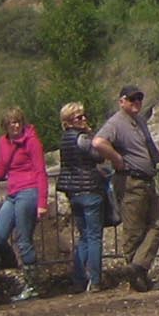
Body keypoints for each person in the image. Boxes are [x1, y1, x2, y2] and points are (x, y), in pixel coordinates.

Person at [93, 86, 159, 292]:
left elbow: (152, 149)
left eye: (139, 98)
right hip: (130, 182)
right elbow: (98, 142)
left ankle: (137, 268)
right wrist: (116, 159)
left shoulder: (140, 121)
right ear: (122, 101)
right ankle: (137, 279)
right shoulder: (116, 123)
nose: (136, 102)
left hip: (147, 181)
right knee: (134, 232)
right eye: (132, 99)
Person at [0, 107, 49, 302]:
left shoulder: (32, 142)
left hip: (28, 190)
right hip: (13, 193)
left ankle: (33, 284)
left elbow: (41, 172)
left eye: (18, 122)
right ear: (5, 125)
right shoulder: (3, 142)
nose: (15, 126)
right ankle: (13, 266)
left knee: (24, 240)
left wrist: (42, 202)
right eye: (12, 122)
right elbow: (0, 171)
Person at [56, 102, 109, 292]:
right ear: (69, 121)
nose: (84, 119)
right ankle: (95, 279)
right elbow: (98, 155)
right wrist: (92, 134)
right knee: (94, 236)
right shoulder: (82, 138)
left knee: (84, 237)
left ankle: (79, 279)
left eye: (83, 115)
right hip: (89, 189)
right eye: (79, 117)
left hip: (73, 192)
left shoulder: (64, 140)